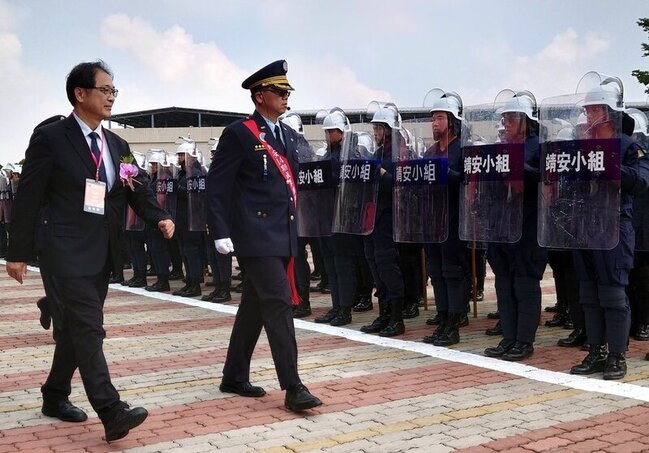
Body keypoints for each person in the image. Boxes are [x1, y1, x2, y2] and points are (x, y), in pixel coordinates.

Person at [5, 61, 174, 442]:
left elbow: (137, 187)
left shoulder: (118, 145)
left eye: (115, 90)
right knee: (87, 327)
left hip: (102, 251)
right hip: (62, 249)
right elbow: (28, 196)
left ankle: (54, 395)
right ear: (80, 94)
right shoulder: (51, 138)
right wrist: (17, 251)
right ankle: (111, 410)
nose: (112, 96)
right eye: (105, 90)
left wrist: (159, 217)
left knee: (73, 330)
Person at [206, 60, 322, 412]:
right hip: (255, 237)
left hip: (283, 235)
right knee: (278, 305)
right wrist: (220, 231)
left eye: (287, 92)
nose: (286, 97)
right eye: (280, 92)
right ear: (260, 96)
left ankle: (234, 375)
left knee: (254, 308)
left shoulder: (286, 134)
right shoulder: (240, 133)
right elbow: (218, 186)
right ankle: (293, 386)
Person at [569, 78, 649, 380]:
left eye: (592, 110)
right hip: (584, 227)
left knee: (613, 295)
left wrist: (607, 163)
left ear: (607, 112)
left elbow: (640, 181)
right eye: (587, 110)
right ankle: (595, 351)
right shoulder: (580, 147)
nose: (588, 115)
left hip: (614, 226)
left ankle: (616, 355)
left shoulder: (630, 146)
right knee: (589, 294)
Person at [483, 91, 547, 361]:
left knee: (524, 284)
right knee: (504, 284)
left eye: (512, 117)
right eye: (504, 117)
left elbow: (543, 179)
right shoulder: (499, 149)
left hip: (528, 226)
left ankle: (524, 340)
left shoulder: (539, 147)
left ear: (526, 120)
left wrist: (516, 165)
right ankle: (508, 337)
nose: (506, 122)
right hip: (501, 226)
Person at [420, 91, 469, 346]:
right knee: (436, 272)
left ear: (452, 120)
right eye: (433, 119)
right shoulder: (430, 150)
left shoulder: (462, 149)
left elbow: (465, 181)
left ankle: (454, 323)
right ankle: (442, 320)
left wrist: (444, 172)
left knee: (452, 272)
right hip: (432, 220)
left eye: (439, 118)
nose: (435, 123)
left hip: (453, 219)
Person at [360, 105, 406, 337]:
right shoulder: (377, 153)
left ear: (389, 129)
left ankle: (397, 317)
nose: (375, 132)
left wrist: (382, 174)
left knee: (388, 265)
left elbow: (401, 185)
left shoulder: (399, 152)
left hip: (388, 216)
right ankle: (384, 313)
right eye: (375, 127)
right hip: (372, 217)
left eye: (379, 127)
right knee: (375, 264)